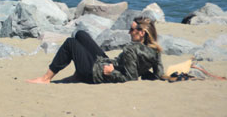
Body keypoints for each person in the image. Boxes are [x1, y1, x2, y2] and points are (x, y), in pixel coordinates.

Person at [26, 17, 164, 84]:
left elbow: (130, 78)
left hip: (97, 73)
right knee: (81, 34)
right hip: (106, 63)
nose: (129, 32)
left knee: (70, 43)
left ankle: (45, 78)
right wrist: (145, 72)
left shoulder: (131, 49)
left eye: (132, 29)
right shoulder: (156, 51)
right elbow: (157, 75)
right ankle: (77, 76)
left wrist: (112, 72)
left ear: (142, 33)